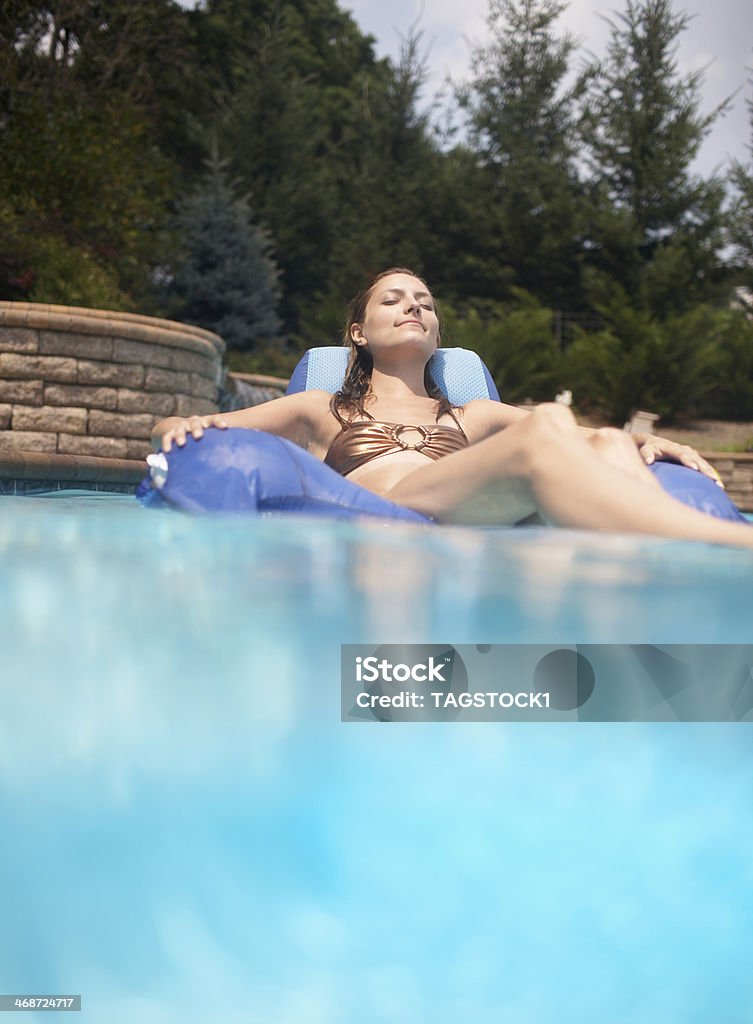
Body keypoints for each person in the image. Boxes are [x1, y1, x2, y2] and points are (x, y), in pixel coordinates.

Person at [151, 267, 753, 547]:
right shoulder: (320, 406)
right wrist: (173, 423)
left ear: (437, 333)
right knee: (546, 423)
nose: (414, 308)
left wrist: (648, 441)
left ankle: (660, 576)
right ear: (357, 332)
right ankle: (726, 548)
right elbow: (193, 431)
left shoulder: (472, 415)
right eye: (394, 300)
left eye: (425, 303)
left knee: (608, 441)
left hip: (471, 511)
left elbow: (592, 440)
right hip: (379, 506)